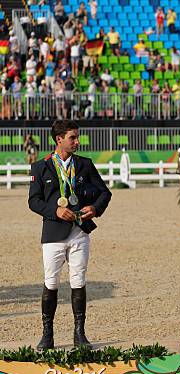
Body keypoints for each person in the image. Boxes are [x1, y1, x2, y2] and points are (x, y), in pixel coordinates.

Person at [28, 120, 112, 350]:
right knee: (51, 282)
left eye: (77, 137)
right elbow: (33, 201)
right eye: (72, 137)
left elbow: (105, 193)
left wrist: (95, 208)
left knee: (78, 281)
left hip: (79, 232)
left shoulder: (85, 164)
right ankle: (47, 335)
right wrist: (54, 210)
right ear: (59, 140)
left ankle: (79, 334)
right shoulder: (40, 167)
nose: (77, 141)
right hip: (53, 233)